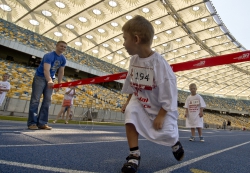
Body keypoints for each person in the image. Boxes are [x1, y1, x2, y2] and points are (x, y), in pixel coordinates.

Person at [120, 15, 184, 173]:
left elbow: (169, 95)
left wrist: (161, 115)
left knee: (167, 133)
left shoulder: (160, 65)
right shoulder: (133, 60)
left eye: (125, 38)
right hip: (141, 100)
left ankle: (175, 142)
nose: (123, 43)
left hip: (159, 105)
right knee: (131, 113)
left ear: (136, 39)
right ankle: (134, 155)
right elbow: (132, 82)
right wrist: (128, 101)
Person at [27, 41, 67, 130]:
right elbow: (46, 70)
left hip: (51, 79)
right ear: (56, 46)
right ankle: (32, 123)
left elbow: (61, 71)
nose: (63, 48)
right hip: (40, 77)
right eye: (61, 46)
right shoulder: (49, 56)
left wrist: (59, 83)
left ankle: (42, 123)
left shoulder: (63, 59)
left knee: (47, 100)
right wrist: (49, 80)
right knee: (35, 100)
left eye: (64, 47)